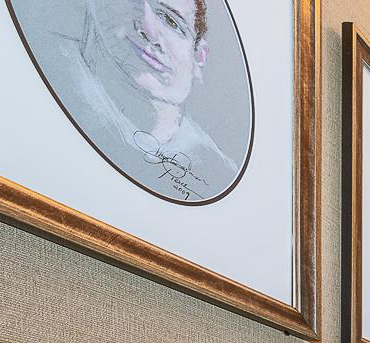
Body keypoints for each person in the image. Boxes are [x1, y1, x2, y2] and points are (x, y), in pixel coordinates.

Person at [47, 0, 241, 199]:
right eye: (132, 4)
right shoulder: (49, 79)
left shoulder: (216, 167)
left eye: (171, 21)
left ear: (199, 57)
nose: (149, 31)